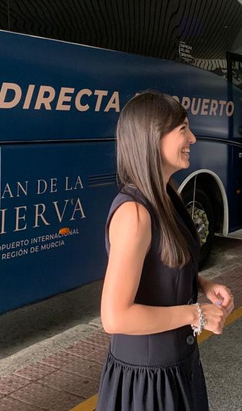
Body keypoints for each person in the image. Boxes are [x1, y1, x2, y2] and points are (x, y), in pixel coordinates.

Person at [97, 91, 235, 411]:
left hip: (177, 366)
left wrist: (202, 283)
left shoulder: (167, 194)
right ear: (152, 138)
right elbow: (115, 317)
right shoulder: (134, 213)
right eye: (183, 129)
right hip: (147, 383)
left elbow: (161, 264)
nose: (193, 138)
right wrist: (195, 313)